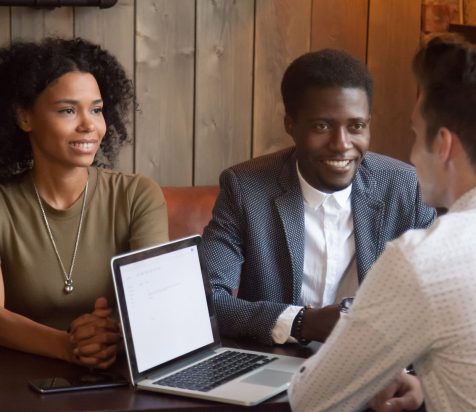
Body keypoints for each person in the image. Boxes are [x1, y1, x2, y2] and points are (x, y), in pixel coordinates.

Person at [288, 34, 476, 411]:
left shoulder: (423, 260)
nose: (410, 153)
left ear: (442, 144)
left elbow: (311, 400)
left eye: (413, 133)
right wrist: (430, 383)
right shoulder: (246, 186)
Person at [201, 49, 435, 346]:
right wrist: (301, 323)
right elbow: (206, 300)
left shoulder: (404, 187)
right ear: (291, 125)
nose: (341, 144)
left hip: (378, 366)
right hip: (279, 364)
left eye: (356, 126)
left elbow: (438, 296)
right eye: (322, 126)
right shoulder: (246, 188)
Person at [0, 38, 168, 369]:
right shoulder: (4, 204)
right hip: (19, 379)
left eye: (96, 109)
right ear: (24, 117)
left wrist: (110, 335)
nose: (89, 125)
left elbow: (155, 304)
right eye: (67, 110)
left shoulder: (137, 195)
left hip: (119, 370)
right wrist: (68, 346)